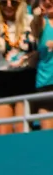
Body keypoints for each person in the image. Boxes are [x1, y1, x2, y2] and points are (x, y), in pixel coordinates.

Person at [0, 0, 36, 135]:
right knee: (3, 131)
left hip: (26, 77)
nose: (9, 5)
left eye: (14, 2)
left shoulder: (31, 21)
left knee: (22, 129)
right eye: (4, 2)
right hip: (1, 78)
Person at [31, 0, 53, 130]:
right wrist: (37, 16)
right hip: (46, 83)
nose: (48, 1)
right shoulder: (41, 22)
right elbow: (35, 28)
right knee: (47, 134)